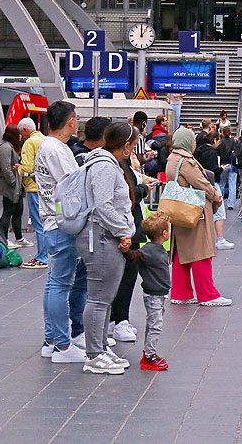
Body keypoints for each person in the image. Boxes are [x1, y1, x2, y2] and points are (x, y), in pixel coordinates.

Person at [77, 122, 136, 375]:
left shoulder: (107, 163)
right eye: (133, 145)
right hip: (100, 237)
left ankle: (100, 347)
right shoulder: (104, 166)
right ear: (125, 146)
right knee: (99, 297)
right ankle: (93, 354)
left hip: (105, 236)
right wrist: (123, 231)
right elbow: (103, 205)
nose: (134, 149)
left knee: (105, 296)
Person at [36, 101, 89, 364]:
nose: (77, 123)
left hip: (52, 222)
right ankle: (62, 346)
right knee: (60, 284)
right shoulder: (55, 149)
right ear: (69, 121)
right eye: (76, 118)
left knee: (54, 283)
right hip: (62, 224)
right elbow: (74, 184)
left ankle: (51, 341)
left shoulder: (50, 146)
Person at [165, 128, 231, 306]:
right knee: (201, 251)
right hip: (193, 211)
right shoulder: (186, 162)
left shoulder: (172, 158)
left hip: (179, 209)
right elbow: (201, 183)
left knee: (181, 252)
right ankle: (208, 295)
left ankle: (181, 292)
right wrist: (215, 195)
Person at [109, 132, 152, 344]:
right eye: (133, 145)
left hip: (128, 227)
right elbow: (126, 194)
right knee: (124, 277)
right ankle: (118, 321)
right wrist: (144, 188)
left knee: (124, 276)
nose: (135, 149)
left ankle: (115, 319)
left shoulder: (120, 163)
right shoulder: (115, 164)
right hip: (125, 228)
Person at [122, 211, 171, 371]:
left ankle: (149, 353)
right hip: (154, 295)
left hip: (159, 294)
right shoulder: (149, 251)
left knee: (153, 323)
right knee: (155, 325)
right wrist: (126, 250)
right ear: (165, 234)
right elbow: (134, 256)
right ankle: (150, 356)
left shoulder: (155, 248)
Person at [195, 130, 235, 250]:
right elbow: (212, 170)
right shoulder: (212, 153)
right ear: (214, 140)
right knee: (219, 211)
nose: (219, 143)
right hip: (212, 183)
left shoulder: (198, 151)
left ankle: (203, 239)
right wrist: (220, 169)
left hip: (200, 183)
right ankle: (220, 239)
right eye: (218, 140)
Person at [18, 117, 47, 269]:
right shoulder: (44, 139)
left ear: (25, 130)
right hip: (45, 188)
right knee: (46, 222)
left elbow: (28, 168)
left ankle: (42, 257)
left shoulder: (29, 143)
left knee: (37, 223)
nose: (21, 137)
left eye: (21, 134)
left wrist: (19, 168)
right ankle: (45, 254)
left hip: (33, 188)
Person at [0, 124, 27, 249]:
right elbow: (6, 168)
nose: (20, 136)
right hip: (9, 186)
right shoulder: (6, 148)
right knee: (8, 212)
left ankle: (19, 238)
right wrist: (13, 182)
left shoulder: (11, 147)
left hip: (16, 186)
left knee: (18, 210)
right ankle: (5, 240)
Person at [217, 125, 237, 210]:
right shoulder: (234, 141)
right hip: (232, 164)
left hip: (223, 164)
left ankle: (220, 202)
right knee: (233, 184)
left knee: (221, 184)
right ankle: (231, 204)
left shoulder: (220, 142)